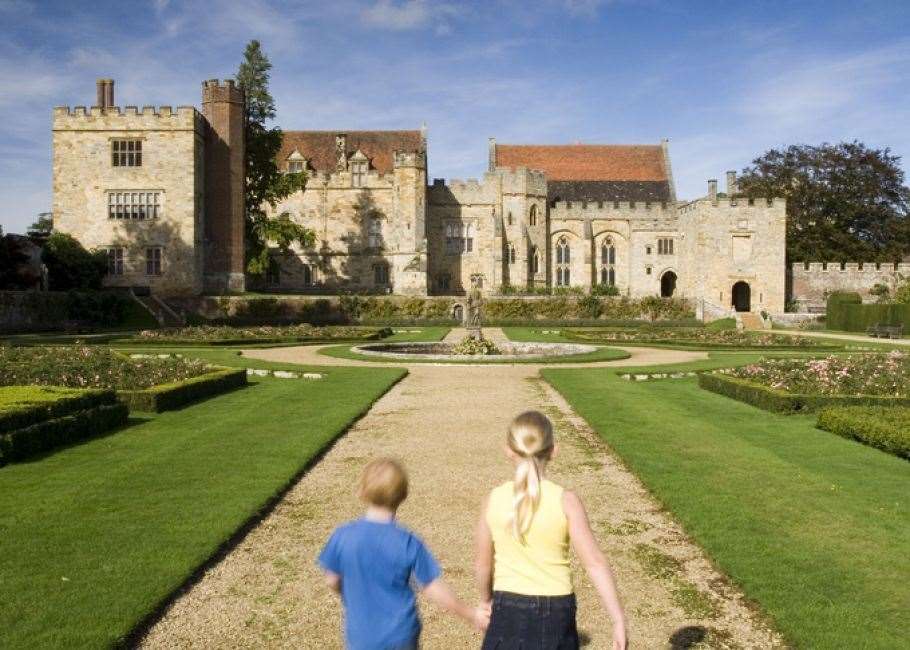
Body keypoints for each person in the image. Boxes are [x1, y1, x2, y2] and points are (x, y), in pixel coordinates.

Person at [475, 411, 628, 650]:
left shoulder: (493, 499)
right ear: (554, 450)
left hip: (507, 604)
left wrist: (485, 600)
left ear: (508, 450)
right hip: (555, 608)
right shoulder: (566, 501)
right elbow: (595, 563)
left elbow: (483, 564)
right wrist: (617, 618)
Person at [319, 458, 489, 649]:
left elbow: (332, 580)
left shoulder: (343, 535)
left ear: (362, 491)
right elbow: (433, 589)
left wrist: (352, 591)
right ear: (403, 495)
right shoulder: (408, 541)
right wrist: (470, 614)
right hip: (401, 634)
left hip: (362, 634)